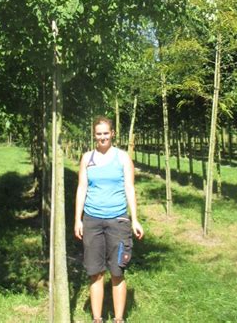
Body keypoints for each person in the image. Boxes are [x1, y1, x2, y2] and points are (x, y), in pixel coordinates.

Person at [74, 116, 144, 323]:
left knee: (117, 272)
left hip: (118, 221)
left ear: (112, 133)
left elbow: (130, 188)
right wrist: (78, 219)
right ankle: (97, 318)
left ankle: (119, 318)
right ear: (94, 135)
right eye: (99, 134)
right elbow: (82, 188)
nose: (102, 137)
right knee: (95, 273)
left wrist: (135, 219)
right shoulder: (87, 158)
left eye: (106, 133)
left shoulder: (123, 158)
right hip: (92, 221)